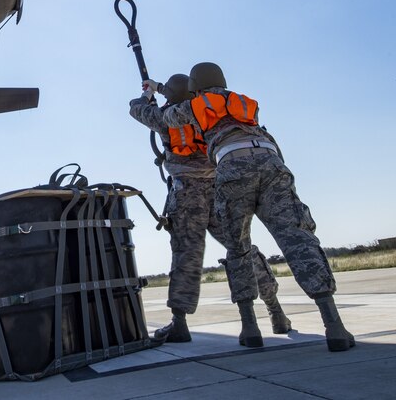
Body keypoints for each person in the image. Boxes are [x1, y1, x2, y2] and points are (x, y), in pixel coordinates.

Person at [141, 63, 355, 351]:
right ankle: (292, 314)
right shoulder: (240, 105)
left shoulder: (180, 113)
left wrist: (147, 95)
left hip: (200, 187)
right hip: (246, 169)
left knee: (200, 252)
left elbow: (149, 113)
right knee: (286, 240)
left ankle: (209, 324)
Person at [129, 74, 292, 343]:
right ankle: (276, 312)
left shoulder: (165, 116)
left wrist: (148, 95)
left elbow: (136, 109)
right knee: (242, 248)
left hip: (186, 194)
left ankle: (179, 323)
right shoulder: (203, 110)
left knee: (187, 254)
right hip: (219, 187)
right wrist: (158, 87)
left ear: (169, 96)